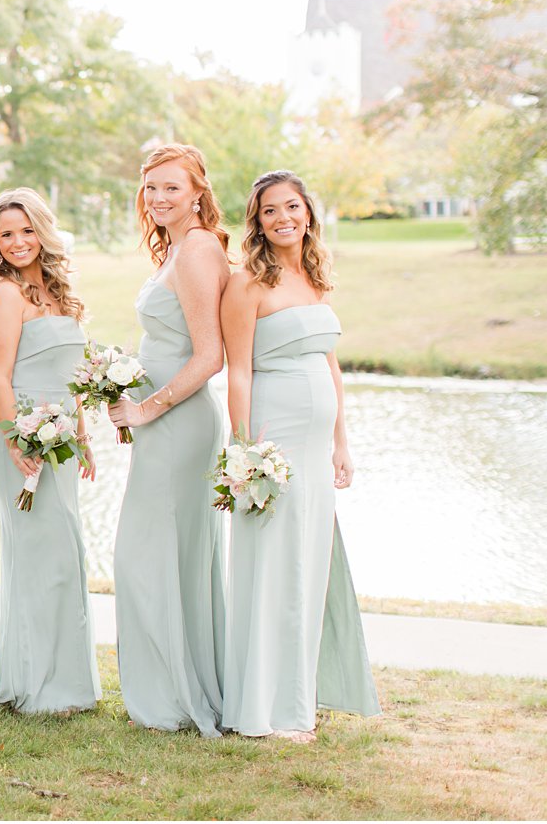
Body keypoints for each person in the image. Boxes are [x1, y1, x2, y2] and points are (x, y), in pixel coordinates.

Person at [219, 170, 379, 741]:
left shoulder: (314, 276)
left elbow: (328, 363)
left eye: (292, 206)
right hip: (272, 443)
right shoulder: (246, 285)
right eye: (269, 211)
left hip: (315, 450)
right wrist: (244, 450)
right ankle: (263, 708)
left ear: (308, 212)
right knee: (273, 567)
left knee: (309, 566)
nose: (283, 217)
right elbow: (238, 370)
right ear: (257, 222)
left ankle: (298, 695)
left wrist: (341, 440)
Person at [105, 143, 230, 735]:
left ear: (198, 192)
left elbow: (210, 356)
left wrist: (148, 409)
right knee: (156, 556)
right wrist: (123, 396)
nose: (158, 198)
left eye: (172, 188)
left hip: (180, 424)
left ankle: (178, 695)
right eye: (151, 187)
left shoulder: (201, 249)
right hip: (159, 421)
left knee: (149, 557)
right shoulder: (176, 247)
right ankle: (173, 689)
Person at [0, 188, 100, 714]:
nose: (18, 242)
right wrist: (12, 439)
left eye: (27, 230)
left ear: (43, 232)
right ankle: (38, 687)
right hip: (21, 437)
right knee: (39, 557)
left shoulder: (58, 292)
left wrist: (83, 433)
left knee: (64, 554)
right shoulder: (5, 295)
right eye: (7, 234)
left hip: (62, 438)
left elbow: (70, 376)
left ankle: (64, 683)